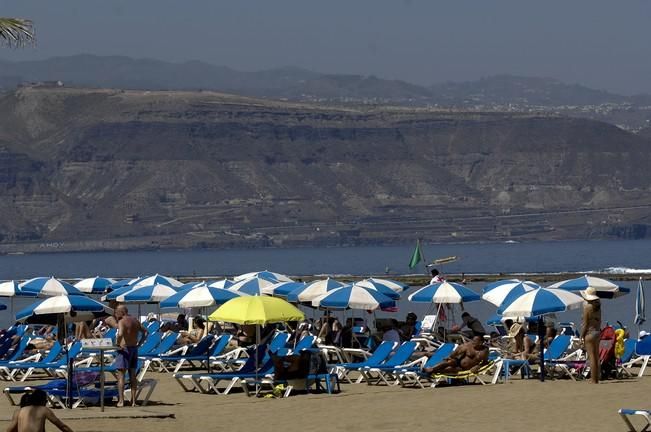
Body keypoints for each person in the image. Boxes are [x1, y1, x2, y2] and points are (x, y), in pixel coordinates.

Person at [115, 305, 148, 407]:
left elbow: (120, 334)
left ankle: (121, 401)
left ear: (122, 312)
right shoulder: (135, 320)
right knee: (132, 375)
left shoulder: (122, 321)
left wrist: (117, 344)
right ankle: (133, 401)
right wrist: (140, 343)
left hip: (124, 349)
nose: (115, 314)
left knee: (121, 375)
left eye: (116, 312)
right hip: (134, 348)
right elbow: (146, 332)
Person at [6, 389, 73, 432]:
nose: (46, 402)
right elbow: (62, 426)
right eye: (45, 400)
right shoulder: (43, 410)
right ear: (42, 400)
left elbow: (11, 429)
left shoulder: (19, 411)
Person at [423, 336, 489, 375]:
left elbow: (485, 362)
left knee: (449, 369)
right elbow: (456, 353)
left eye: (475, 341)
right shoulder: (468, 346)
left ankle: (433, 371)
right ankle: (432, 369)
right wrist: (450, 357)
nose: (473, 342)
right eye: (473, 340)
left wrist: (478, 366)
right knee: (450, 361)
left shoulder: (485, 350)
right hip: (458, 362)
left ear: (481, 342)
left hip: (464, 369)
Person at [581, 287, 602, 384]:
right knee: (596, 356)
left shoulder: (587, 307)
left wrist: (582, 335)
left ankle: (594, 379)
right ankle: (597, 376)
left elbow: (585, 324)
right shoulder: (598, 306)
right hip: (597, 332)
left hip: (590, 333)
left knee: (591, 356)